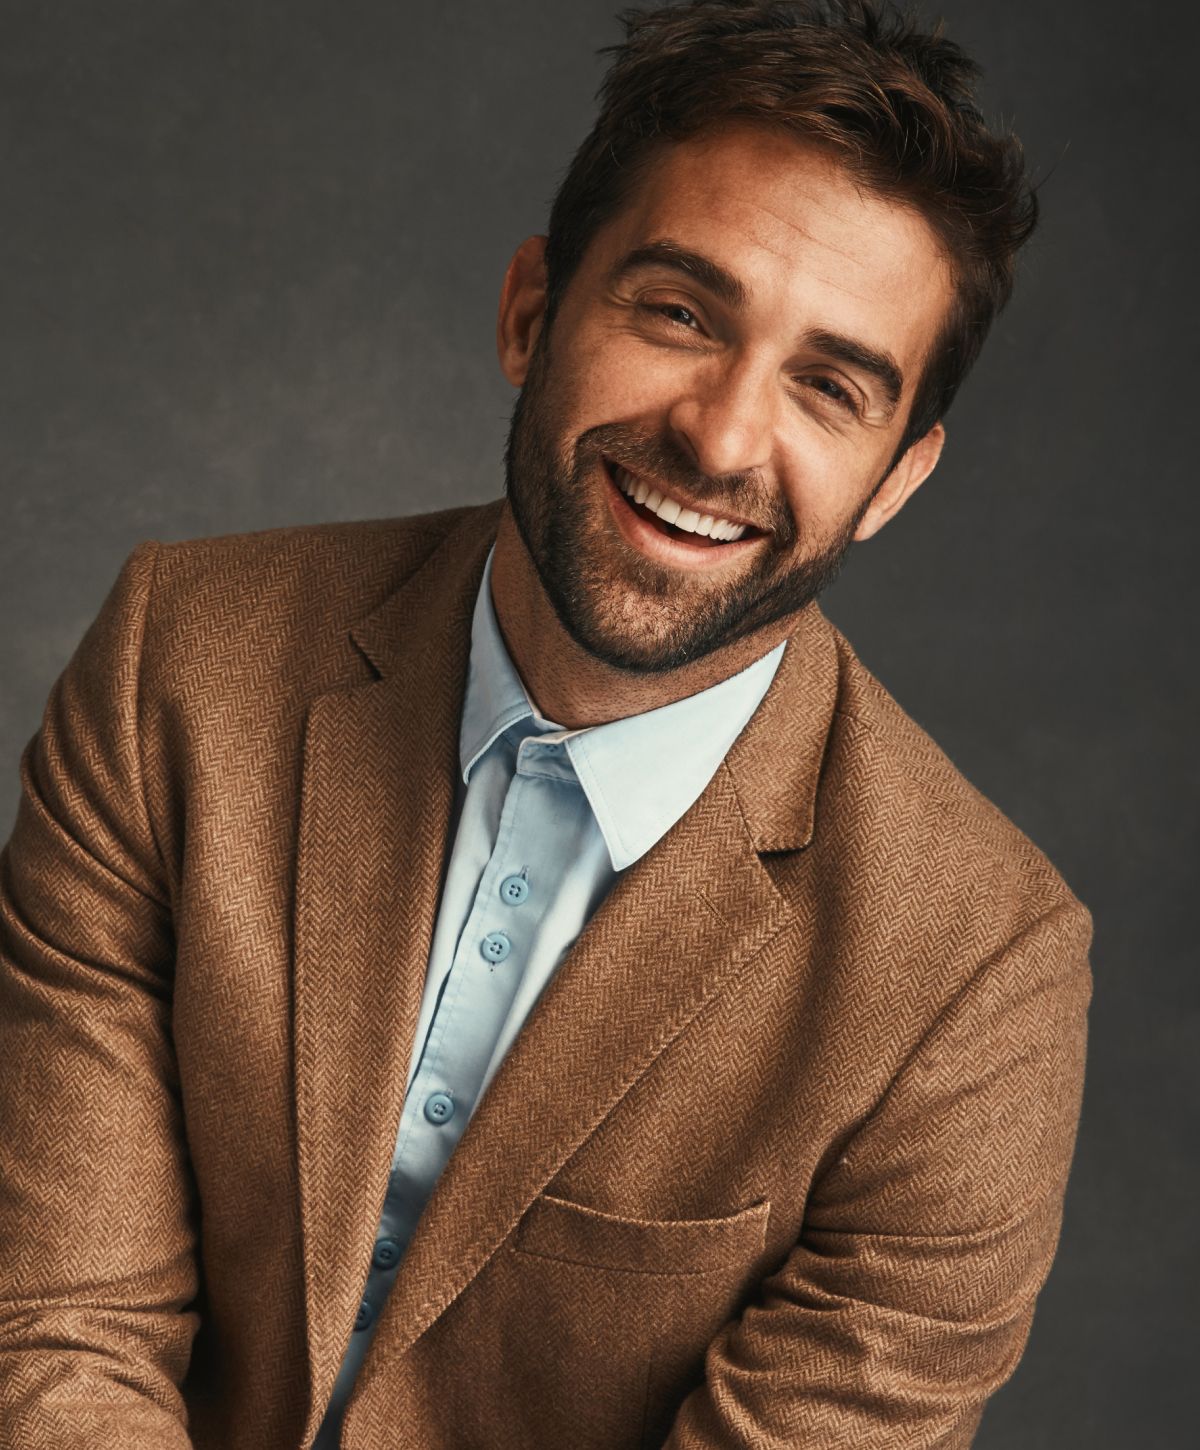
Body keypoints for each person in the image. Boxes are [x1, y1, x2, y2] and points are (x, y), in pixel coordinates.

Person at [0, 2, 1093, 1447]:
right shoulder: (178, 663)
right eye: (681, 313)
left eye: (829, 388)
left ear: (895, 481)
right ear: (534, 311)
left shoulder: (980, 983)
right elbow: (59, 1320)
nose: (718, 435)